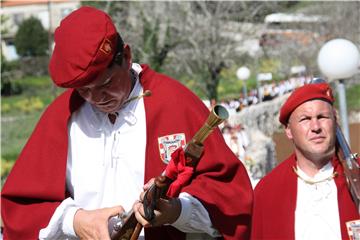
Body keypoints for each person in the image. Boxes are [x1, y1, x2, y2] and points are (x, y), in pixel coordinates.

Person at [1, 6, 253, 240]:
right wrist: (75, 220)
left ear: (126, 56)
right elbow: (21, 206)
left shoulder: (175, 102)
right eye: (83, 90)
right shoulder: (61, 116)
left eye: (106, 84)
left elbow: (228, 193)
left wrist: (177, 211)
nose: (96, 98)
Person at [251, 82, 359, 239]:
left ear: (335, 122)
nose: (315, 126)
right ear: (288, 131)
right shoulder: (267, 191)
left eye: (322, 117)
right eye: (305, 119)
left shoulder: (356, 176)